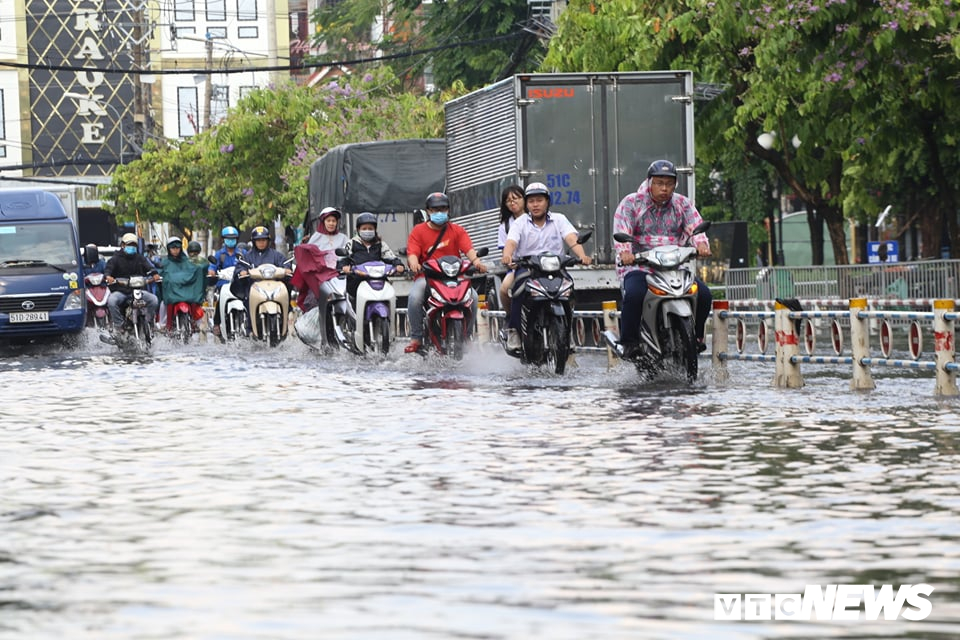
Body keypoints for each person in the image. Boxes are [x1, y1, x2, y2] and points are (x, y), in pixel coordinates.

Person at [612, 159, 712, 359]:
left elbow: (695, 227)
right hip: (640, 268)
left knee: (704, 294)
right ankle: (629, 343)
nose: (664, 188)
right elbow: (622, 229)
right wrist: (626, 252)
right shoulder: (632, 203)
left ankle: (697, 337)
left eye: (669, 183)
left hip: (673, 268)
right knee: (633, 295)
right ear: (649, 182)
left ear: (675, 184)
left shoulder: (682, 204)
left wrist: (701, 244)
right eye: (659, 183)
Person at [500, 182, 592, 351]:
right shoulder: (520, 223)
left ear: (547, 202)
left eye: (539, 200)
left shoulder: (559, 219)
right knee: (518, 291)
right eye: (531, 201)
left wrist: (582, 256)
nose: (535, 205)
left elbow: (571, 239)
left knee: (569, 291)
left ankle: (566, 331)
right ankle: (514, 331)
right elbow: (511, 242)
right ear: (527, 204)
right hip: (528, 268)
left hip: (556, 269)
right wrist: (507, 255)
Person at [404, 192, 487, 353]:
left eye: (443, 209)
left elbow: (469, 250)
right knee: (414, 298)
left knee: (474, 297)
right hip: (427, 277)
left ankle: (467, 336)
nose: (439, 213)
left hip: (454, 278)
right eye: (435, 210)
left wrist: (477, 263)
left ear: (449, 210)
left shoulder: (457, 230)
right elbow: (412, 252)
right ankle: (416, 338)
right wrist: (413, 263)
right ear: (428, 211)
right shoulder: (418, 231)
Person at [103, 232, 160, 332]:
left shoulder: (140, 258)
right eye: (129, 245)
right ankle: (119, 325)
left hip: (137, 291)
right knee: (112, 301)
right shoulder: (115, 259)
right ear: (123, 245)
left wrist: (154, 274)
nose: (132, 247)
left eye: (134, 245)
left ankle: (149, 322)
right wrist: (108, 277)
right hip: (121, 291)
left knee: (153, 300)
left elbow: (149, 267)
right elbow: (108, 270)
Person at [341, 212, 405, 300]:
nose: (367, 231)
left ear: (375, 229)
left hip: (379, 279)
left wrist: (398, 265)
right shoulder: (351, 243)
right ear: (358, 229)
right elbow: (343, 259)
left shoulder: (380, 244)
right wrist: (345, 267)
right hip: (357, 280)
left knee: (390, 296)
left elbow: (391, 257)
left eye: (370, 228)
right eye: (364, 228)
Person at [231, 225, 292, 303]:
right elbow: (240, 267)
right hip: (253, 290)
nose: (261, 243)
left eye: (263, 240)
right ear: (254, 242)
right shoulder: (247, 256)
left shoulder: (276, 255)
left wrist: (286, 269)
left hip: (274, 289)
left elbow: (285, 263)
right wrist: (242, 271)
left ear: (268, 241)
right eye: (258, 240)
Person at [158, 237, 207, 331]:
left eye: (177, 248)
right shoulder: (164, 262)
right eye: (173, 248)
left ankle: (194, 322)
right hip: (171, 292)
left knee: (194, 301)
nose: (175, 250)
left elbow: (201, 265)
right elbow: (158, 271)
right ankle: (165, 325)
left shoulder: (188, 261)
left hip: (187, 291)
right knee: (163, 303)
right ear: (169, 249)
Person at [208, 225, 245, 337]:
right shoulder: (220, 254)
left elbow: (248, 264)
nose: (230, 240)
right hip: (224, 285)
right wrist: (212, 271)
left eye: (233, 238)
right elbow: (213, 266)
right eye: (228, 238)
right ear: (224, 239)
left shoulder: (242, 253)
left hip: (239, 285)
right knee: (220, 301)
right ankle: (217, 324)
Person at [496, 185, 526, 314]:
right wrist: (509, 261)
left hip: (541, 265)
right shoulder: (505, 226)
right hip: (518, 267)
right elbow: (505, 252)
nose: (512, 202)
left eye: (516, 198)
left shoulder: (536, 219)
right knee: (504, 289)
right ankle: (511, 319)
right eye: (508, 200)